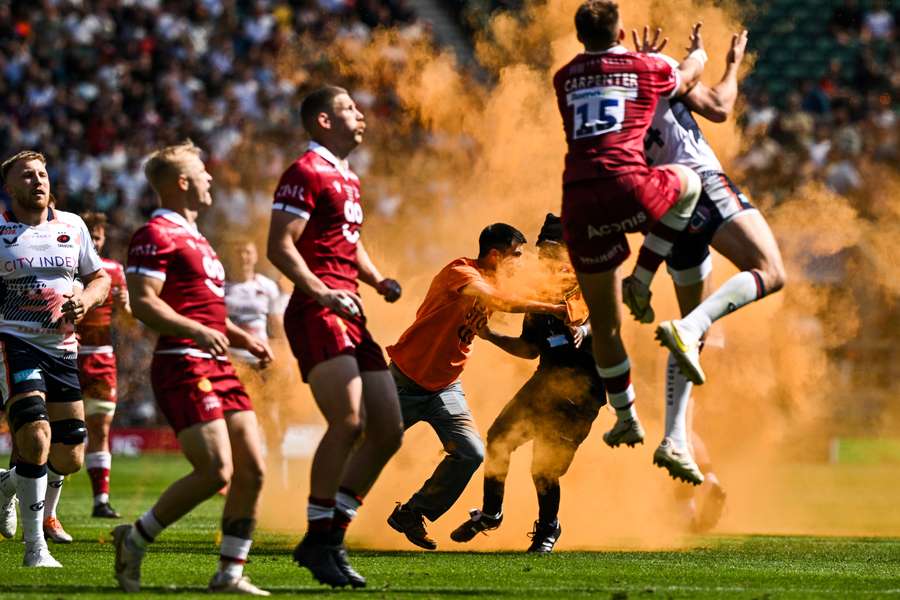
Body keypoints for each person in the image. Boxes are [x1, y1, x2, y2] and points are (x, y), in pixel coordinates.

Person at [635, 30, 784, 527]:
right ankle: (696, 324)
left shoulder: (610, 104)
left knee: (685, 357)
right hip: (699, 185)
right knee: (770, 271)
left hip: (664, 208)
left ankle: (684, 451)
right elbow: (719, 105)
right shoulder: (654, 76)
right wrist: (729, 62)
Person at [113, 141, 272, 595]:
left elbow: (208, 314)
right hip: (182, 362)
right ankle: (136, 537)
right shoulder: (155, 234)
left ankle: (230, 573)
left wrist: (244, 339)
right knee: (216, 470)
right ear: (182, 183)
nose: (210, 180)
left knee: (253, 469)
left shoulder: (199, 239)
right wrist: (199, 333)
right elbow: (144, 303)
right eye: (203, 173)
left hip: (217, 362)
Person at [267, 86, 404, 589]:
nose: (361, 114)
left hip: (351, 309)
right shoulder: (305, 171)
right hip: (316, 308)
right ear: (323, 120)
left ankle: (329, 536)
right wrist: (324, 294)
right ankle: (320, 537)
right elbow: (279, 246)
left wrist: (376, 279)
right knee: (348, 421)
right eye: (349, 108)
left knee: (388, 429)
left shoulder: (348, 177)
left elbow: (349, 241)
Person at [554, 1, 707, 451]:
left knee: (605, 327)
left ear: (581, 36)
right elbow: (686, 77)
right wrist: (699, 54)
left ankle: (626, 418)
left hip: (581, 202)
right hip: (630, 188)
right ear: (621, 32)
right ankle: (642, 276)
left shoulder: (562, 78)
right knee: (691, 183)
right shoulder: (646, 66)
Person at [385, 223, 568, 550]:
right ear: (495, 255)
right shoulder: (461, 273)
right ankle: (327, 516)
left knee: (471, 453)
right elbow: (504, 303)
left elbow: (522, 321)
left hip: (445, 389)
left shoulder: (495, 282)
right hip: (403, 382)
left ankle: (413, 513)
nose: (520, 262)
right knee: (366, 449)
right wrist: (555, 309)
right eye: (516, 255)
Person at [449, 214, 604, 553]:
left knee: (544, 466)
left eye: (554, 250)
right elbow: (529, 349)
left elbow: (603, 325)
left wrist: (584, 330)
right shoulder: (538, 295)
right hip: (545, 381)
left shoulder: (589, 284)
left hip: (583, 390)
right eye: (543, 249)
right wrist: (489, 336)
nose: (546, 257)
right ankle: (491, 514)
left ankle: (549, 528)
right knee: (498, 439)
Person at [0, 150, 111, 567]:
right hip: (13, 342)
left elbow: (99, 278)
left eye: (42, 174)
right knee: (36, 437)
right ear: (9, 188)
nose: (38, 181)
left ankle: (8, 485)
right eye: (27, 176)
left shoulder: (73, 226)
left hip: (62, 349)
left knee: (69, 457)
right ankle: (36, 549)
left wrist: (84, 298)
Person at [76, 211, 131, 519]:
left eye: (98, 237)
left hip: (100, 356)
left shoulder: (114, 271)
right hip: (66, 354)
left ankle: (101, 500)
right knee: (60, 431)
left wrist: (126, 307)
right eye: (90, 237)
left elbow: (129, 320)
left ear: (104, 239)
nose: (95, 243)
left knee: (100, 427)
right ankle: (41, 503)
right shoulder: (66, 267)